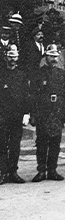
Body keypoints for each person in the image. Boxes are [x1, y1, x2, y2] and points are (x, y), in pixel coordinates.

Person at [30, 44, 65, 182]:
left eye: (56, 56)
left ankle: (52, 170)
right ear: (46, 57)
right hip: (43, 112)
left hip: (57, 112)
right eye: (51, 56)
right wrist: (33, 114)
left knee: (55, 142)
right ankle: (41, 170)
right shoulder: (39, 74)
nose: (54, 59)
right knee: (42, 142)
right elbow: (33, 95)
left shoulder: (62, 74)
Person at [0, 45, 28, 184]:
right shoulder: (1, 73)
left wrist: (26, 113)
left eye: (15, 57)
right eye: (10, 56)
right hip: (2, 115)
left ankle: (13, 172)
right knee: (2, 144)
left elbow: (25, 95)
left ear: (18, 58)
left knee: (15, 144)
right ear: (6, 57)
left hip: (17, 115)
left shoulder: (21, 75)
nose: (12, 59)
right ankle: (3, 172)